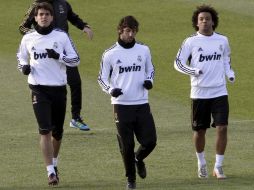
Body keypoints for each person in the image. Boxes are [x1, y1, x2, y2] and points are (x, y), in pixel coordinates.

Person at [17, 2, 80, 185]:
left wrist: (58, 56)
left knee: (57, 133)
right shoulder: (28, 38)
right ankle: (50, 172)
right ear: (35, 17)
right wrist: (24, 67)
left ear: (52, 17)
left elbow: (75, 59)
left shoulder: (61, 36)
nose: (43, 17)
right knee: (45, 130)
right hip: (38, 88)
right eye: (40, 14)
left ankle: (54, 163)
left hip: (59, 88)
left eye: (47, 14)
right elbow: (20, 57)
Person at [174, 5, 235, 179]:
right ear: (196, 23)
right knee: (200, 131)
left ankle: (218, 166)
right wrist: (193, 71)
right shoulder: (190, 42)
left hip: (219, 92)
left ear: (213, 21)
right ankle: (201, 163)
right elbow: (178, 63)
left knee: (222, 128)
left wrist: (229, 74)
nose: (205, 22)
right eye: (201, 19)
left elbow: (226, 59)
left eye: (207, 19)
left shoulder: (222, 40)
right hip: (199, 93)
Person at [98, 16, 157, 190]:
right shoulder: (110, 54)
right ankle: (131, 180)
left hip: (141, 103)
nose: (131, 34)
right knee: (127, 145)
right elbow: (102, 78)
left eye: (133, 31)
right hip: (121, 105)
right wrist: (110, 90)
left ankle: (138, 158)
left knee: (150, 141)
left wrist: (149, 81)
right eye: (127, 31)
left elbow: (150, 70)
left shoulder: (144, 50)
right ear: (120, 31)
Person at [19, 0, 93, 131]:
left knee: (75, 83)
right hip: (44, 54)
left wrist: (84, 26)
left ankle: (76, 118)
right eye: (41, 15)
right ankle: (47, 121)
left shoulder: (63, 3)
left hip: (63, 50)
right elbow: (23, 27)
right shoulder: (36, 5)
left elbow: (72, 17)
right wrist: (37, 35)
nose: (44, 16)